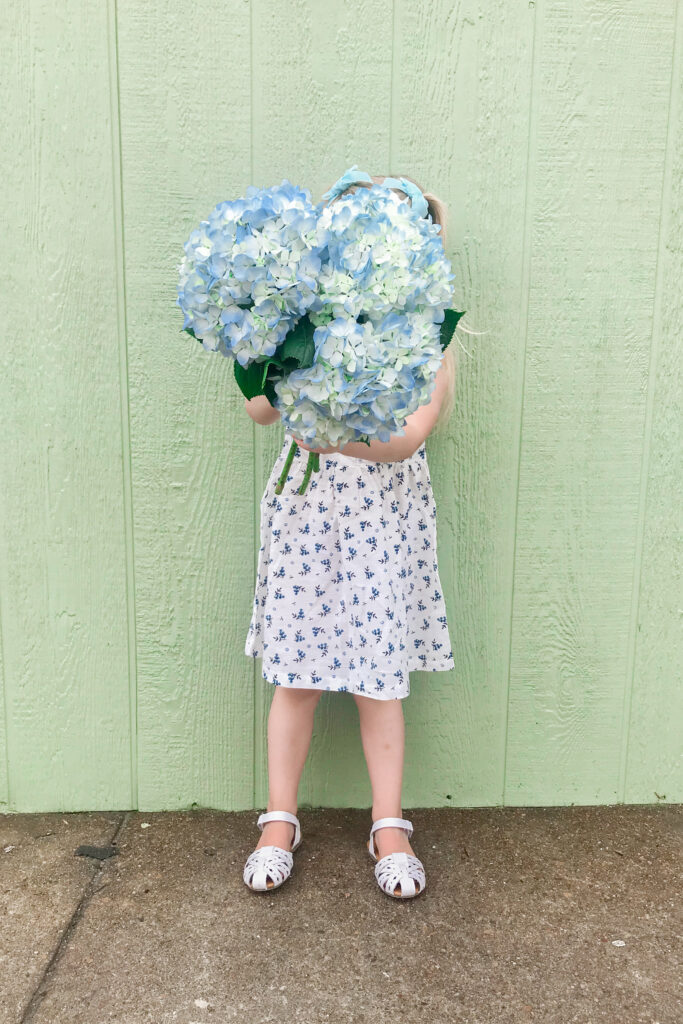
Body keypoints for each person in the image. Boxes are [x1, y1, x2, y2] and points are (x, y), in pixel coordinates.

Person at [242, 168, 459, 899]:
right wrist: (261, 347)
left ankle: (389, 824)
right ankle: (279, 820)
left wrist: (328, 433)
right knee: (295, 677)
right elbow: (260, 412)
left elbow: (408, 437)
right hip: (306, 519)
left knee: (377, 684)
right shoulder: (309, 321)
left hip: (378, 526)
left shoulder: (432, 332)